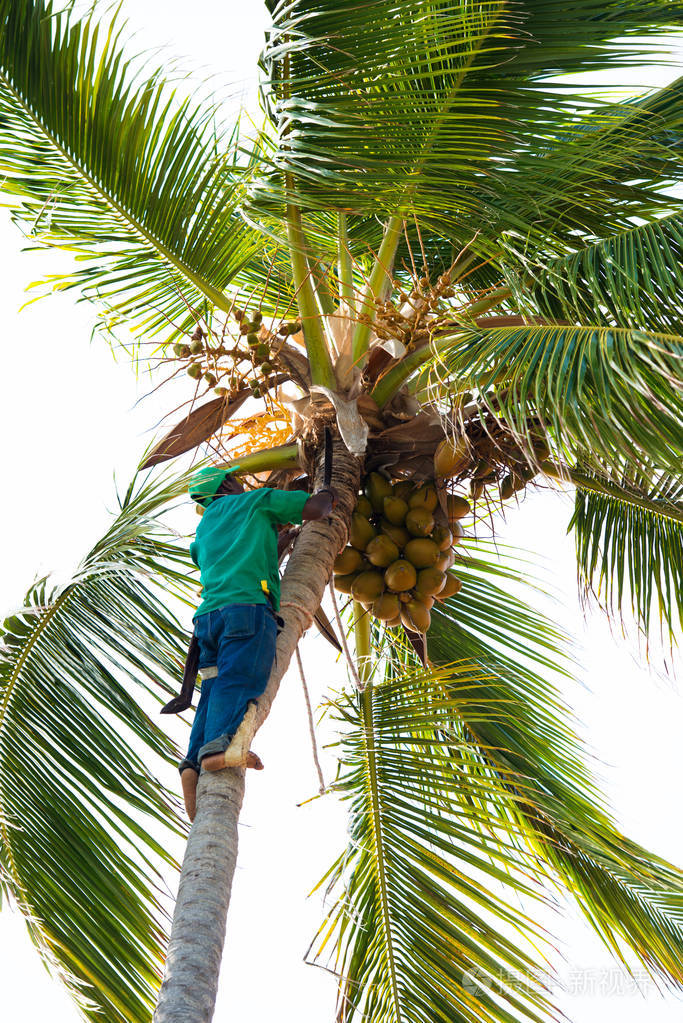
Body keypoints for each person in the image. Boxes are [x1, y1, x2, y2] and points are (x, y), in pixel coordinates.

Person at [176, 466, 336, 820]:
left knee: (214, 687)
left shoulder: (204, 530)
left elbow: (213, 556)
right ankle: (214, 751)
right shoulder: (255, 501)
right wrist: (329, 494)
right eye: (235, 480)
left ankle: (192, 761)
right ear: (228, 485)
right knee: (241, 678)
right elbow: (314, 510)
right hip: (246, 611)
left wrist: (273, 539)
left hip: (208, 620)